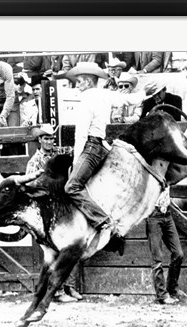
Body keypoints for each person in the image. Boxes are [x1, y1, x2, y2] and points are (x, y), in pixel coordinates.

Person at [63, 62, 145, 233]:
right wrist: (144, 93)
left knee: (72, 187)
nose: (77, 86)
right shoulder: (105, 94)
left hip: (90, 146)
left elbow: (81, 133)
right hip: (102, 146)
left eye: (79, 82)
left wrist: (76, 159)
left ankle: (104, 222)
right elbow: (130, 99)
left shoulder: (86, 98)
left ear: (87, 81)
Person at [22, 124, 82, 302]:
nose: (50, 141)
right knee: (55, 251)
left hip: (63, 207)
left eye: (51, 138)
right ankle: (57, 291)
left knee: (72, 247)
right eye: (46, 138)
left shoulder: (59, 154)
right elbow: (30, 188)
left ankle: (69, 287)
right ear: (39, 140)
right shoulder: (34, 162)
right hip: (47, 211)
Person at [146, 187, 187, 305]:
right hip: (153, 216)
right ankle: (162, 296)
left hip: (167, 214)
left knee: (178, 253)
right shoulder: (151, 171)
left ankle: (172, 289)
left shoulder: (167, 170)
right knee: (157, 258)